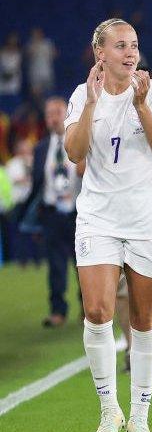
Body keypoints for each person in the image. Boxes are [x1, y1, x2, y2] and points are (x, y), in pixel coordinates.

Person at [64, 18, 152, 432]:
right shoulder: (80, 96)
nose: (130, 53)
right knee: (97, 312)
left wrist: (142, 105)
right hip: (99, 216)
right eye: (120, 46)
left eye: (134, 45)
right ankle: (109, 410)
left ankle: (141, 415)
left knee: (145, 321)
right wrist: (92, 104)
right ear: (100, 54)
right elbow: (75, 152)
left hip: (147, 218)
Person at [23, 97, 82, 327]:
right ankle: (58, 310)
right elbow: (37, 185)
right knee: (55, 265)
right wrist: (33, 217)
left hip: (77, 212)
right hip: (51, 213)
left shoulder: (79, 141)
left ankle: (88, 309)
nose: (53, 117)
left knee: (83, 264)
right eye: (48, 113)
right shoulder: (41, 148)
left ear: (67, 112)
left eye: (57, 111)